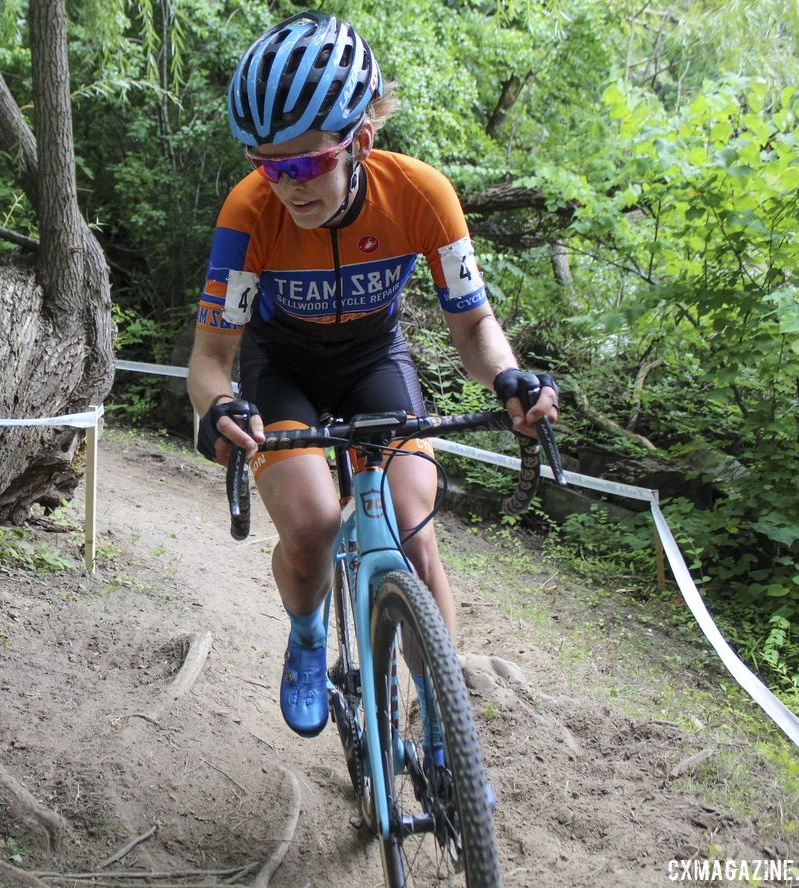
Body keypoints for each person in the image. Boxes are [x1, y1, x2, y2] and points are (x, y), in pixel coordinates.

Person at [187, 11, 558, 739]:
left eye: (304, 163)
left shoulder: (421, 194)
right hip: (281, 366)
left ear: (360, 138)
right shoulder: (248, 211)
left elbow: (475, 326)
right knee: (315, 527)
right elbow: (210, 358)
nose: (286, 184)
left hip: (371, 361)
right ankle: (305, 638)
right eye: (269, 163)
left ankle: (450, 732)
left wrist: (509, 379)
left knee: (416, 535)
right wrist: (218, 404)